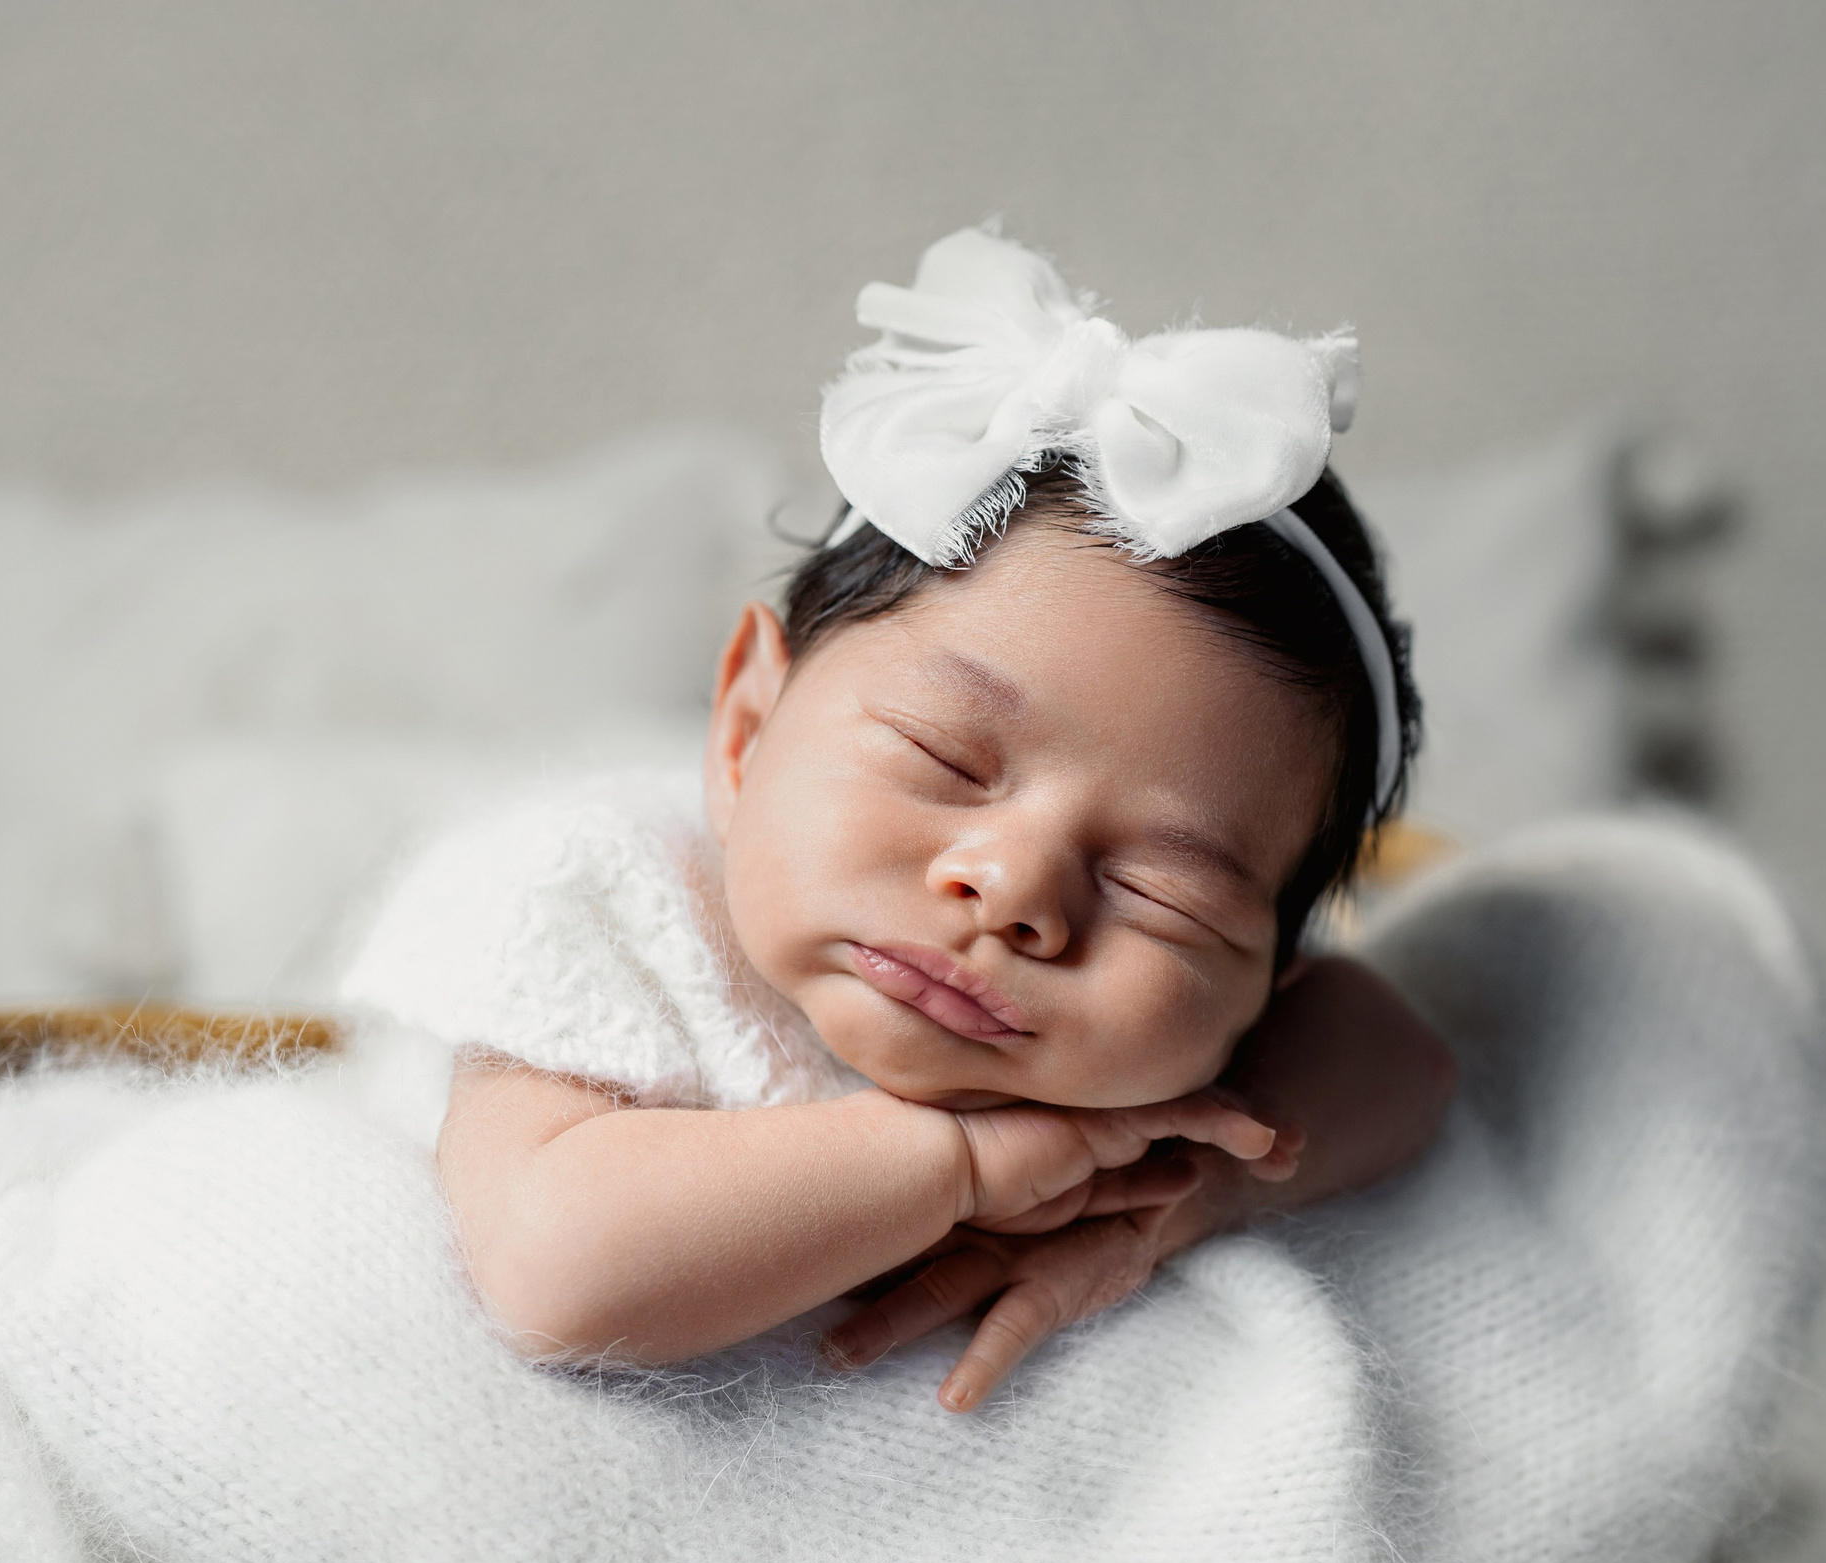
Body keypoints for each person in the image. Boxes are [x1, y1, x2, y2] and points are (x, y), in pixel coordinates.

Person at [347, 227, 1458, 1411]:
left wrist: (1200, 1190)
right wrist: (962, 1164)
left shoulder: (1169, 1091)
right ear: (744, 729)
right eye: (943, 759)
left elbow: (1405, 1060)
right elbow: (549, 1268)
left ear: (1266, 981)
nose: (1018, 888)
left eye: (1163, 892)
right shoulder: (608, 894)